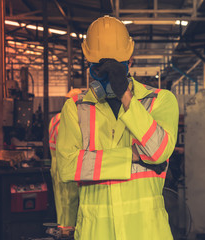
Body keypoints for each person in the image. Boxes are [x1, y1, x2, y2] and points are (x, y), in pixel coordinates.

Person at [56, 15, 179, 240]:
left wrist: (125, 95)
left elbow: (159, 151)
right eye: (101, 69)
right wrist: (132, 156)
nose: (107, 75)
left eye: (115, 69)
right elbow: (67, 167)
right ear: (89, 65)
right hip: (96, 232)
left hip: (147, 232)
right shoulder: (75, 108)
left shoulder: (160, 100)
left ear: (129, 61)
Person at [49, 90, 81, 236]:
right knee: (70, 199)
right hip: (67, 164)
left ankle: (62, 227)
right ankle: (68, 231)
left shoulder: (55, 118)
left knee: (60, 199)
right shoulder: (69, 120)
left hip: (55, 164)